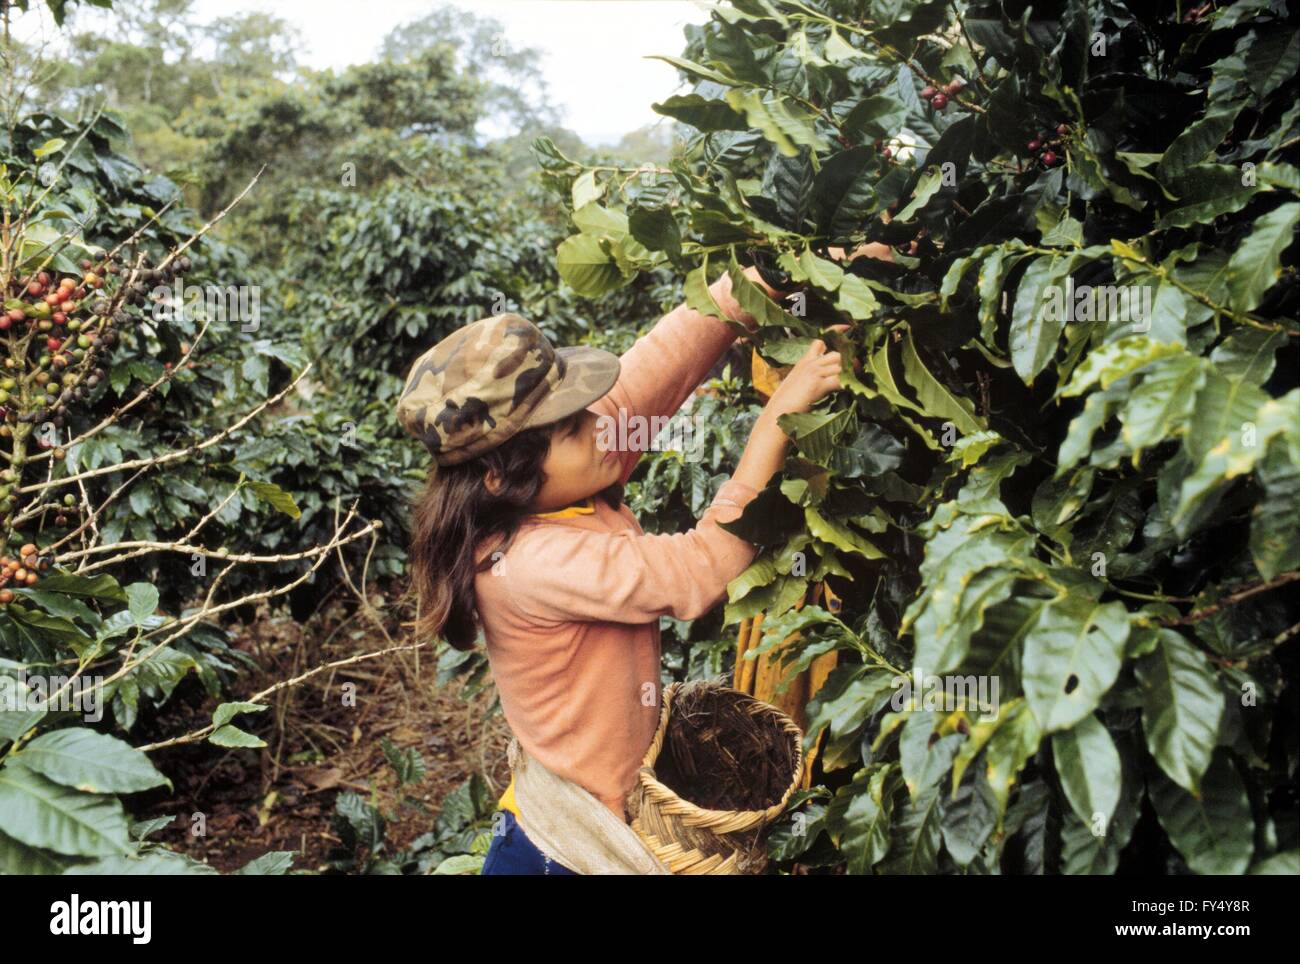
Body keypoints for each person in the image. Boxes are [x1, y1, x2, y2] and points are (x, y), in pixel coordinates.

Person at [395, 262, 849, 875]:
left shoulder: (549, 485)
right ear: (502, 475)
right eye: (576, 425)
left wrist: (757, 281)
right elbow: (701, 569)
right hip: (565, 849)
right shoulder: (533, 562)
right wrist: (778, 420)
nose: (602, 426)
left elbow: (658, 369)